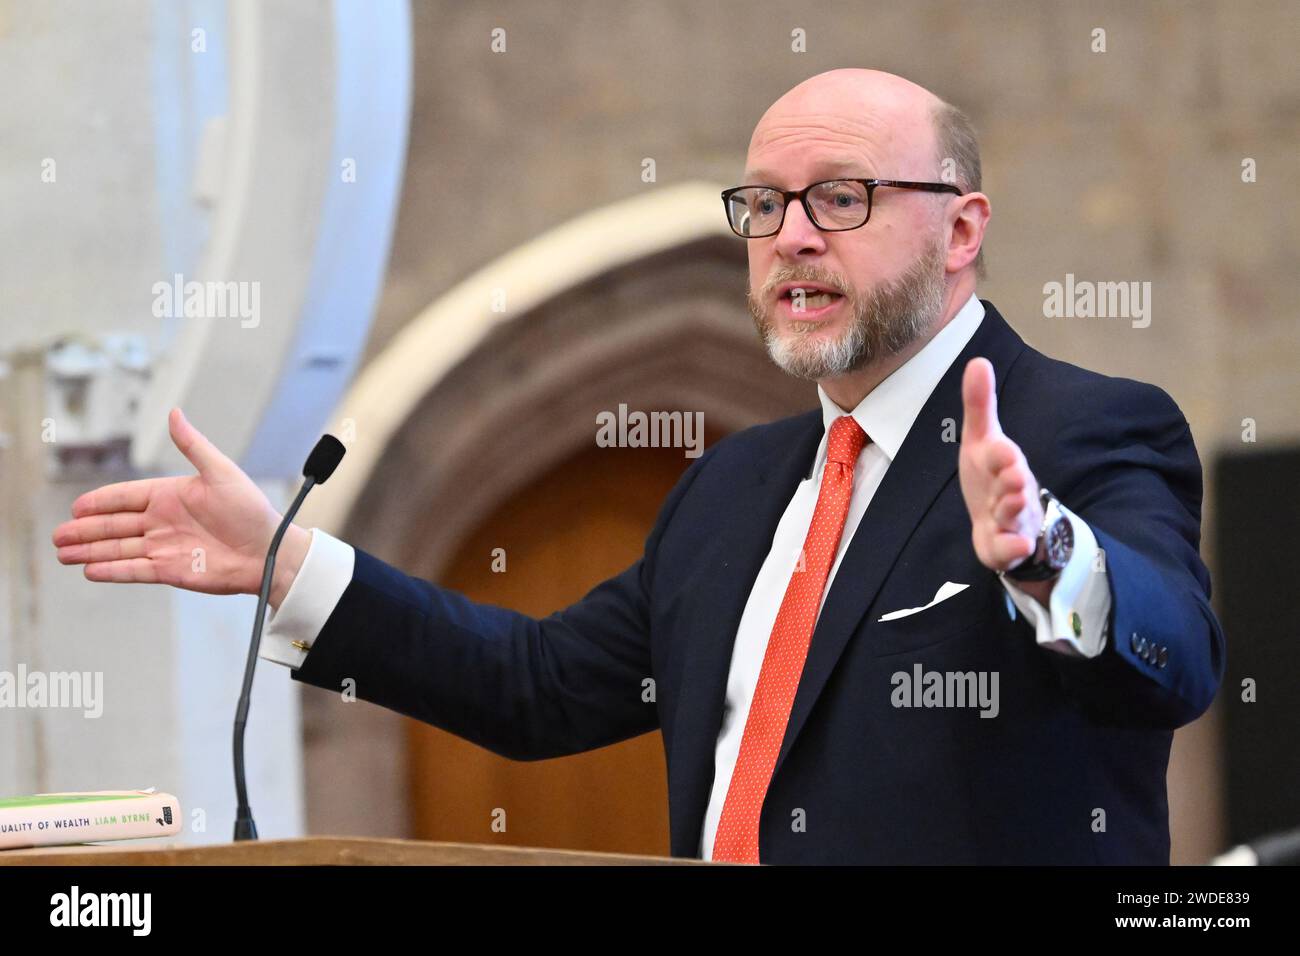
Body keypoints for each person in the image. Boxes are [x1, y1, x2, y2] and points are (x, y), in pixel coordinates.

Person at [52, 68, 1224, 864]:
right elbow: (538, 685)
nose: (792, 236)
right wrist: (286, 561)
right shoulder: (736, 485)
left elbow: (1171, 657)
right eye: (763, 205)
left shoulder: (1084, 430)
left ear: (961, 229)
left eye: (841, 197)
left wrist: (1046, 556)